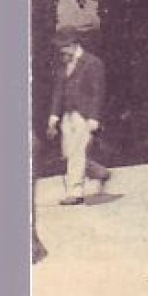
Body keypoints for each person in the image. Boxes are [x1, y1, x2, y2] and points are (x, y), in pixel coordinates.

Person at [46, 38, 110, 206]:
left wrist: (94, 117)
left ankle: (75, 192)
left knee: (77, 152)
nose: (61, 54)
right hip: (67, 114)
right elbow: (58, 91)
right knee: (68, 153)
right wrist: (53, 117)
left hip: (85, 115)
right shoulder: (63, 64)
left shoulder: (93, 63)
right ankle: (98, 172)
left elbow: (98, 92)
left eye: (63, 49)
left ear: (73, 45)